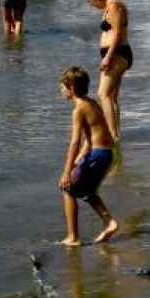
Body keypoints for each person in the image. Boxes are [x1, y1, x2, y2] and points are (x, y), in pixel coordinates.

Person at [57, 66, 120, 245]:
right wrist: (82, 157)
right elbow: (93, 134)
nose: (61, 91)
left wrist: (66, 171)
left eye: (63, 87)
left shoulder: (78, 110)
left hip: (99, 155)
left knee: (67, 188)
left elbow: (75, 142)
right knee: (86, 189)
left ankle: (73, 237)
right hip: (104, 153)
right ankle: (109, 222)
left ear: (71, 88)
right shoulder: (91, 103)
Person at [79, 0, 131, 138]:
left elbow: (117, 33)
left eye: (90, 1)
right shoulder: (109, 5)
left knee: (103, 95)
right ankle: (116, 133)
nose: (91, 5)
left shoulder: (114, 6)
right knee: (112, 95)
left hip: (117, 53)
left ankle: (112, 135)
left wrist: (108, 56)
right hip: (115, 53)